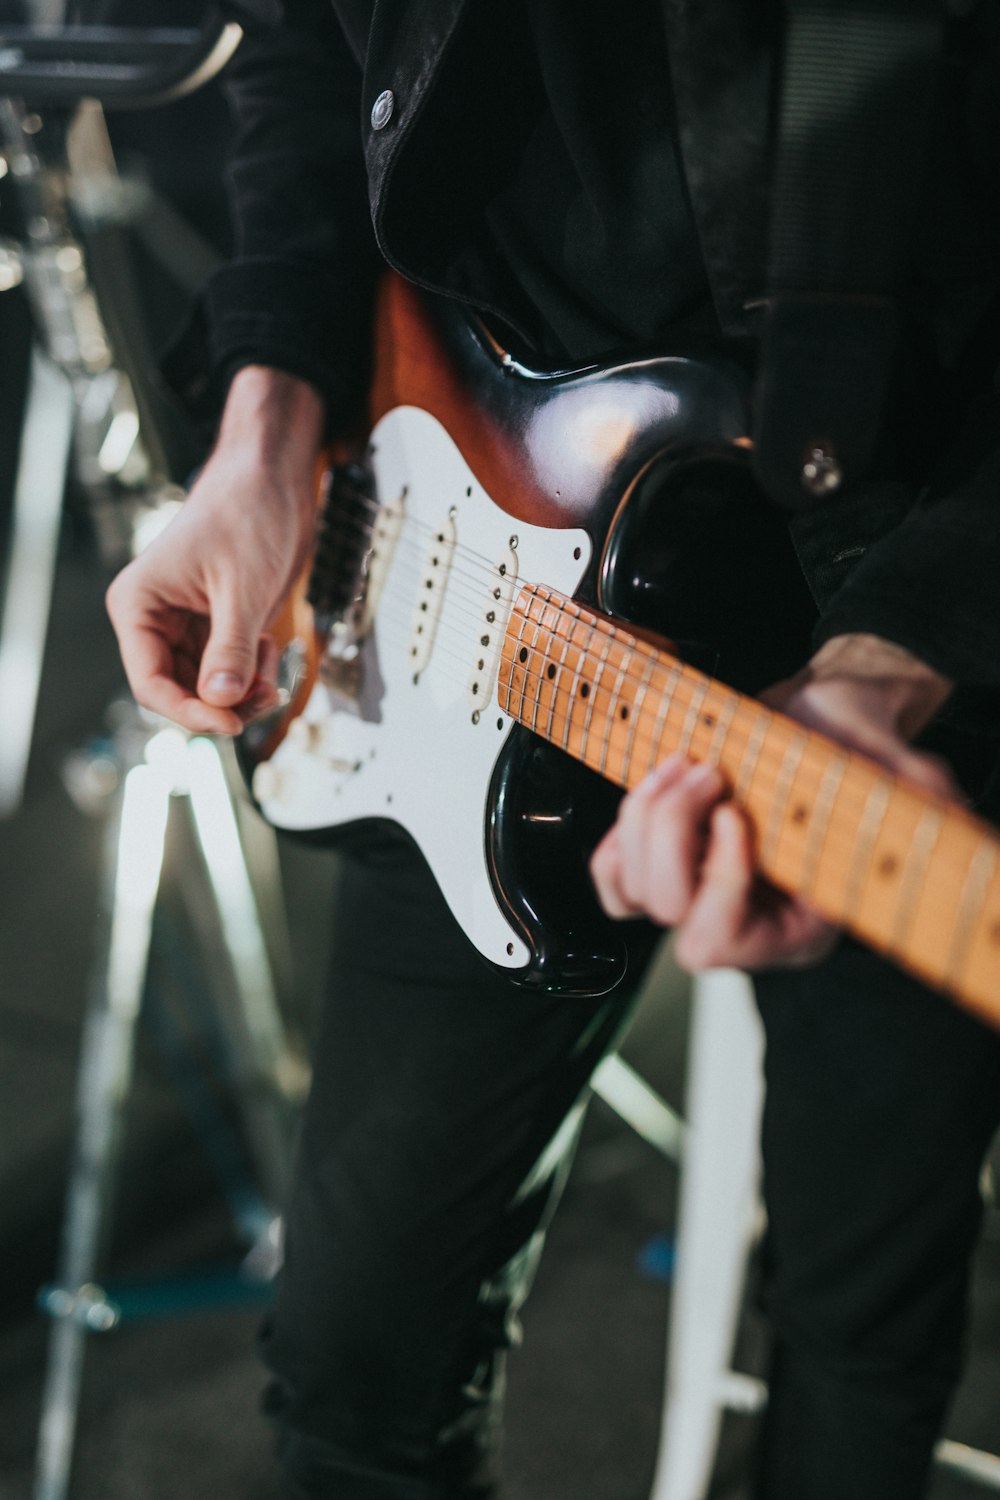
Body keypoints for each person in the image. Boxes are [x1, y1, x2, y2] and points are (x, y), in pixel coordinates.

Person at [105, 3, 1000, 1497]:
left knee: (861, 1339)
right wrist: (266, 423)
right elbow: (302, 48)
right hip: (462, 481)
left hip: (916, 556)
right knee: (352, 1361)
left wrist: (899, 648)